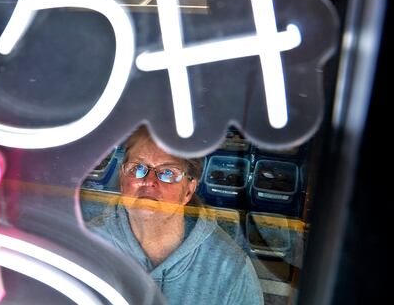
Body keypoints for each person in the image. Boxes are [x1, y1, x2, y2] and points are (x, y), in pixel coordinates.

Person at [88, 126, 263, 304]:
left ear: (188, 190)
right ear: (122, 179)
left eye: (167, 173)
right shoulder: (85, 248)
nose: (149, 181)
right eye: (138, 168)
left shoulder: (230, 269)